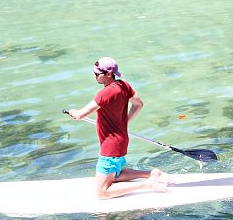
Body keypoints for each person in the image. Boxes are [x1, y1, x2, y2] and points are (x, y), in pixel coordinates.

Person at [67, 57, 171, 199]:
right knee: (114, 174)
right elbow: (138, 104)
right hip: (121, 141)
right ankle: (151, 174)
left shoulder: (104, 94)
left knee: (102, 193)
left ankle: (147, 184)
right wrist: (125, 122)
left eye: (97, 73)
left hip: (110, 146)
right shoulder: (124, 86)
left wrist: (72, 112)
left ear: (108, 74)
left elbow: (80, 115)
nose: (94, 76)